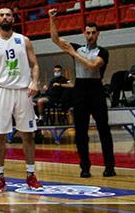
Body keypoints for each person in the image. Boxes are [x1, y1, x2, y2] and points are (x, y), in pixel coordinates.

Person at [0, 8, 42, 194]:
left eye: (8, 15)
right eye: (1, 15)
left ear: (13, 19)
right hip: (1, 91)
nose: (5, 17)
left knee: (28, 134)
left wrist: (35, 82)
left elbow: (35, 65)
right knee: (0, 135)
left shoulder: (24, 40)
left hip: (23, 91)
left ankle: (31, 175)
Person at [48, 9, 115, 178]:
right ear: (84, 33)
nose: (90, 35)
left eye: (93, 33)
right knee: (80, 131)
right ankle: (85, 167)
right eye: (88, 32)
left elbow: (92, 66)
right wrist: (52, 19)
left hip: (96, 89)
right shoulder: (77, 48)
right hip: (80, 90)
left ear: (98, 34)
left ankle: (109, 166)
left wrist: (73, 54)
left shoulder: (103, 52)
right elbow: (55, 39)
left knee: (103, 129)